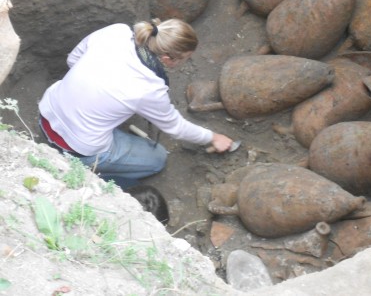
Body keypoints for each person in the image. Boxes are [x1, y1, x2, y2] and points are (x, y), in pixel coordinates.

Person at [38, 19, 233, 188]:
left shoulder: (118, 31)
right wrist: (213, 137)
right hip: (78, 147)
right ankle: (95, 178)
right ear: (167, 59)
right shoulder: (150, 89)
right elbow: (176, 128)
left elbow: (73, 59)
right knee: (158, 158)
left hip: (47, 111)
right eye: (184, 59)